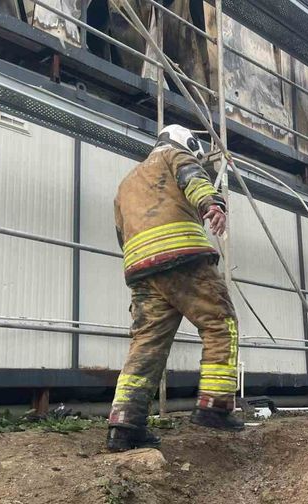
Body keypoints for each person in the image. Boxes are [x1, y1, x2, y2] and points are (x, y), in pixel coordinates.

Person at [107, 124, 243, 452]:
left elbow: (121, 234)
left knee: (146, 345)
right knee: (220, 324)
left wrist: (142, 264)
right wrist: (211, 204)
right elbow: (192, 178)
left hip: (141, 270)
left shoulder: (125, 184)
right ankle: (215, 407)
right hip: (182, 257)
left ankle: (124, 424)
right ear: (187, 143)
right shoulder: (175, 155)